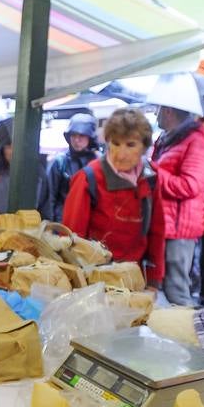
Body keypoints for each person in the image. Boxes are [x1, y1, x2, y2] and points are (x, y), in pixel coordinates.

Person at [61, 108, 166, 289]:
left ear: (144, 147)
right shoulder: (88, 178)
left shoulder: (151, 177)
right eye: (115, 143)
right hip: (95, 279)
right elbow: (71, 238)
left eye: (130, 145)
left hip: (134, 276)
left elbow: (157, 231)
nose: (121, 154)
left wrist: (154, 280)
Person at [151, 104, 204, 306]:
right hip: (162, 226)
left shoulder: (198, 143)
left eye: (158, 109)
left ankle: (186, 335)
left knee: (176, 291)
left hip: (179, 232)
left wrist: (153, 170)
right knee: (159, 289)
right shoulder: (166, 140)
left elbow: (191, 185)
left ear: (169, 111)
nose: (156, 114)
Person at [45, 113, 99, 222]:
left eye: (81, 136)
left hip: (91, 221)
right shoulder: (60, 162)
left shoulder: (98, 162)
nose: (76, 140)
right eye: (73, 135)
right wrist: (49, 224)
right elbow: (50, 197)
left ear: (90, 137)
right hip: (63, 221)